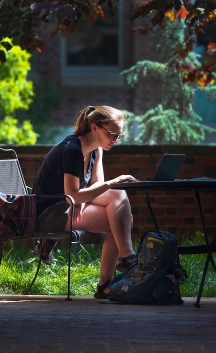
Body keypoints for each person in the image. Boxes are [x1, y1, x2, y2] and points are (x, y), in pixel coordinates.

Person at [32, 105, 137, 299]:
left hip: (69, 205)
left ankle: (121, 262)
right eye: (112, 134)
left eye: (118, 136)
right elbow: (72, 193)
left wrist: (81, 200)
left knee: (119, 202)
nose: (114, 140)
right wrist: (110, 183)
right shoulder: (71, 150)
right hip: (48, 213)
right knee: (121, 219)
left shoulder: (97, 151)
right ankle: (119, 267)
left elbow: (97, 188)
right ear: (94, 127)